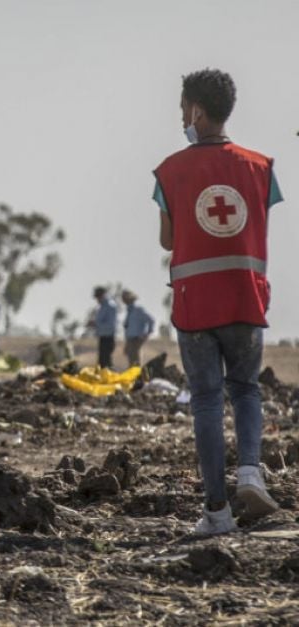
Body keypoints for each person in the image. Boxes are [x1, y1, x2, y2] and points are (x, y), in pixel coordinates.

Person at [154, 68, 281, 534]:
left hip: (195, 305)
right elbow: (256, 222)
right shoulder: (262, 167)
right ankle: (250, 470)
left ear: (198, 112)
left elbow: (168, 240)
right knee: (246, 389)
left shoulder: (169, 171)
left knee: (207, 400)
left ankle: (217, 513)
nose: (180, 116)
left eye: (183, 108)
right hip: (245, 298)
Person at [121, 290, 154, 367]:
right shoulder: (129, 311)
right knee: (131, 361)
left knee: (135, 361)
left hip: (137, 339)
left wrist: (148, 333)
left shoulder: (138, 310)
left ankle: (138, 377)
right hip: (130, 339)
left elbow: (151, 320)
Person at [90, 286, 117, 368]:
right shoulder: (102, 306)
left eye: (98, 296)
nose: (97, 299)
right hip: (102, 337)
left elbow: (110, 325)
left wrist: (96, 324)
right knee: (102, 362)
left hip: (108, 337)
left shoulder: (110, 306)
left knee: (106, 362)